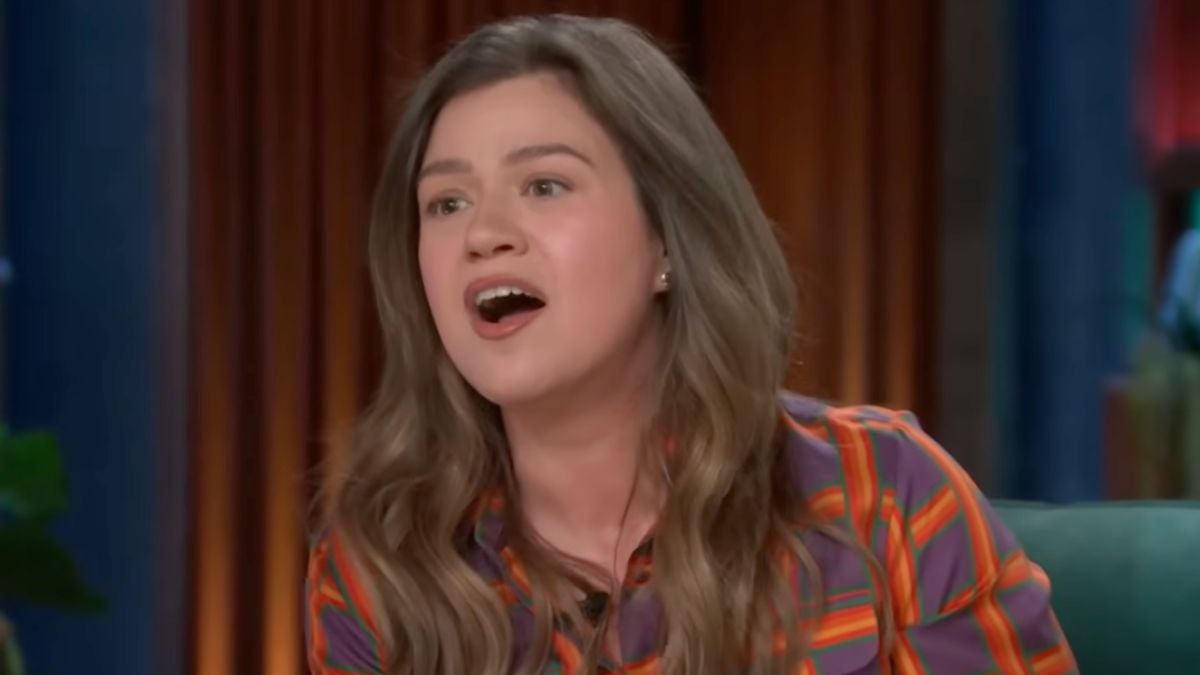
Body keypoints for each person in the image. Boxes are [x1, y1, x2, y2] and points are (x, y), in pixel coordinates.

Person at [305, 14, 1076, 675]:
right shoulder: (381, 568)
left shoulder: (885, 498)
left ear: (667, 242)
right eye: (446, 202)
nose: (483, 234)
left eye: (544, 185)